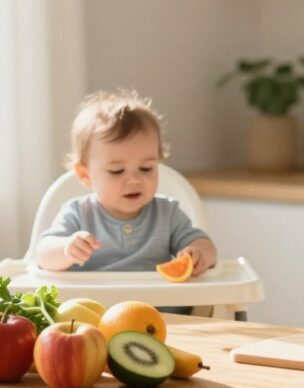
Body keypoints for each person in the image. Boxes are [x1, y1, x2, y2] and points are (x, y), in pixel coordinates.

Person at [36, 90, 217, 281]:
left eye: (146, 168)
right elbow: (42, 255)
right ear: (85, 175)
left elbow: (207, 248)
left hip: (160, 309)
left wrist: (199, 253)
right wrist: (66, 249)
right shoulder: (78, 213)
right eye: (117, 171)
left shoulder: (168, 213)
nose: (134, 180)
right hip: (97, 309)